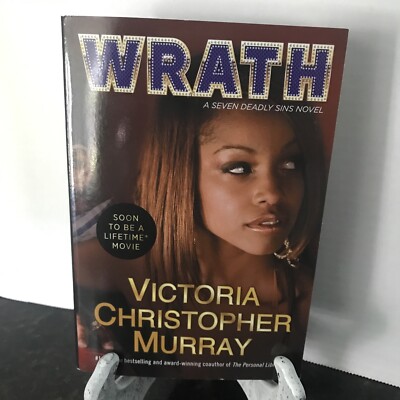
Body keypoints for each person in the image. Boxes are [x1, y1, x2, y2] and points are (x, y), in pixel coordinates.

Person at [74, 64, 326, 379]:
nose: (273, 193)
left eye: (290, 164)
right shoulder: (99, 268)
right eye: (239, 167)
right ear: (181, 170)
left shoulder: (301, 301)